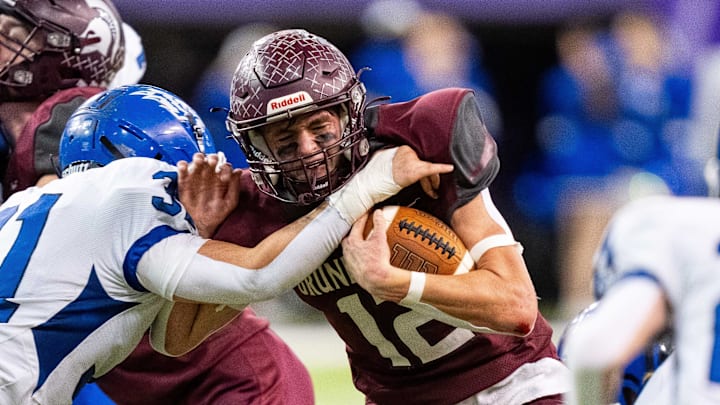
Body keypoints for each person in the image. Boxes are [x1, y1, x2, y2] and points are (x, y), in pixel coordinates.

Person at [100, 29, 567, 404]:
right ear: (252, 147)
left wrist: (398, 284)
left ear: (349, 113)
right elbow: (176, 338)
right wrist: (200, 235)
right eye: (282, 140)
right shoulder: (259, 208)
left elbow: (517, 309)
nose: (306, 150)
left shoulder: (422, 146)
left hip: (513, 385)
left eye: (319, 128)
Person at [0, 83, 452, 404]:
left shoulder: (26, 205)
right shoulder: (132, 197)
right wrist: (372, 182)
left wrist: (196, 231)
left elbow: (165, 335)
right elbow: (258, 274)